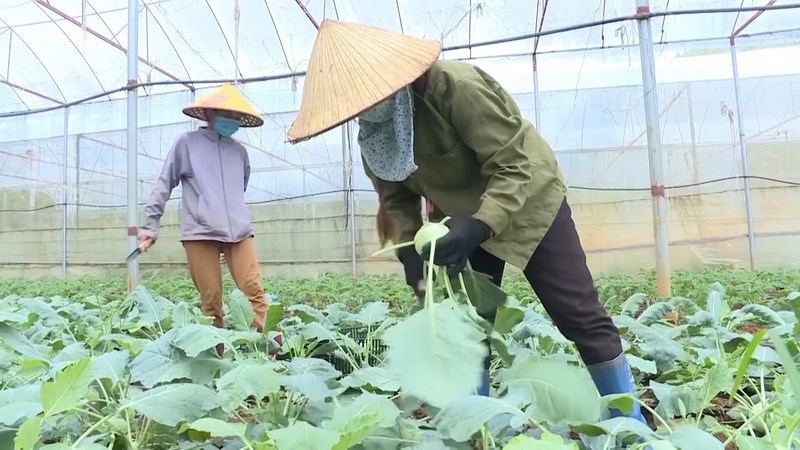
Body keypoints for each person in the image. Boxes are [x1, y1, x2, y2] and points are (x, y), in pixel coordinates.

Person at [285, 20, 649, 425]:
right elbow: (397, 197)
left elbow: (515, 164)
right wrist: (411, 254)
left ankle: (630, 421)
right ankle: (476, 424)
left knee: (577, 312)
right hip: (458, 219)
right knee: (466, 325)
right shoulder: (376, 133)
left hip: (529, 199)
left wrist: (480, 224)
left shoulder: (455, 87)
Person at [137, 84, 270, 356]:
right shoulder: (187, 144)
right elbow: (165, 183)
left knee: (254, 290)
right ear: (209, 113)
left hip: (239, 233)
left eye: (235, 116)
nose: (231, 121)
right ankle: (216, 357)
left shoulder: (239, 152)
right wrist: (151, 225)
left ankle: (267, 351)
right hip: (200, 232)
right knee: (211, 301)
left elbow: (239, 187)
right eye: (225, 113)